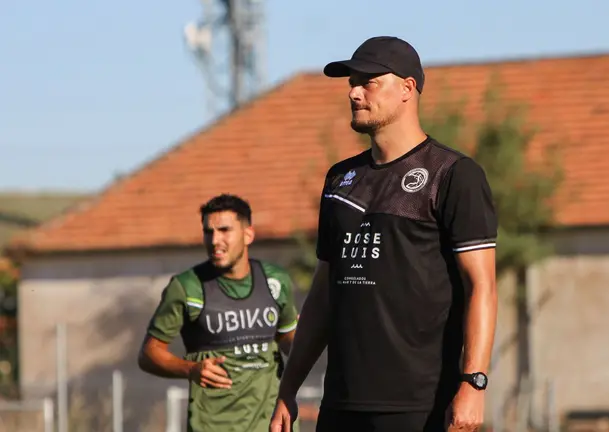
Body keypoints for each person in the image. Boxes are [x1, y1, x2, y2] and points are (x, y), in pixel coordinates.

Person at [270, 36, 498, 432]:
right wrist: (288, 389)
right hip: (341, 403)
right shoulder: (340, 179)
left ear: (407, 88)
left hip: (421, 405)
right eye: (351, 83)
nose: (354, 93)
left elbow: (482, 286)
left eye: (369, 82)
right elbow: (323, 296)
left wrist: (474, 383)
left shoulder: (453, 174)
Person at [138, 193, 300, 432]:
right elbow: (148, 354)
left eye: (224, 230)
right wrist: (191, 369)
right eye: (208, 232)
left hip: (271, 424)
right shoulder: (187, 287)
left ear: (248, 234)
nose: (215, 240)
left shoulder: (276, 280)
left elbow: (287, 339)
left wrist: (308, 338)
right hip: (214, 425)